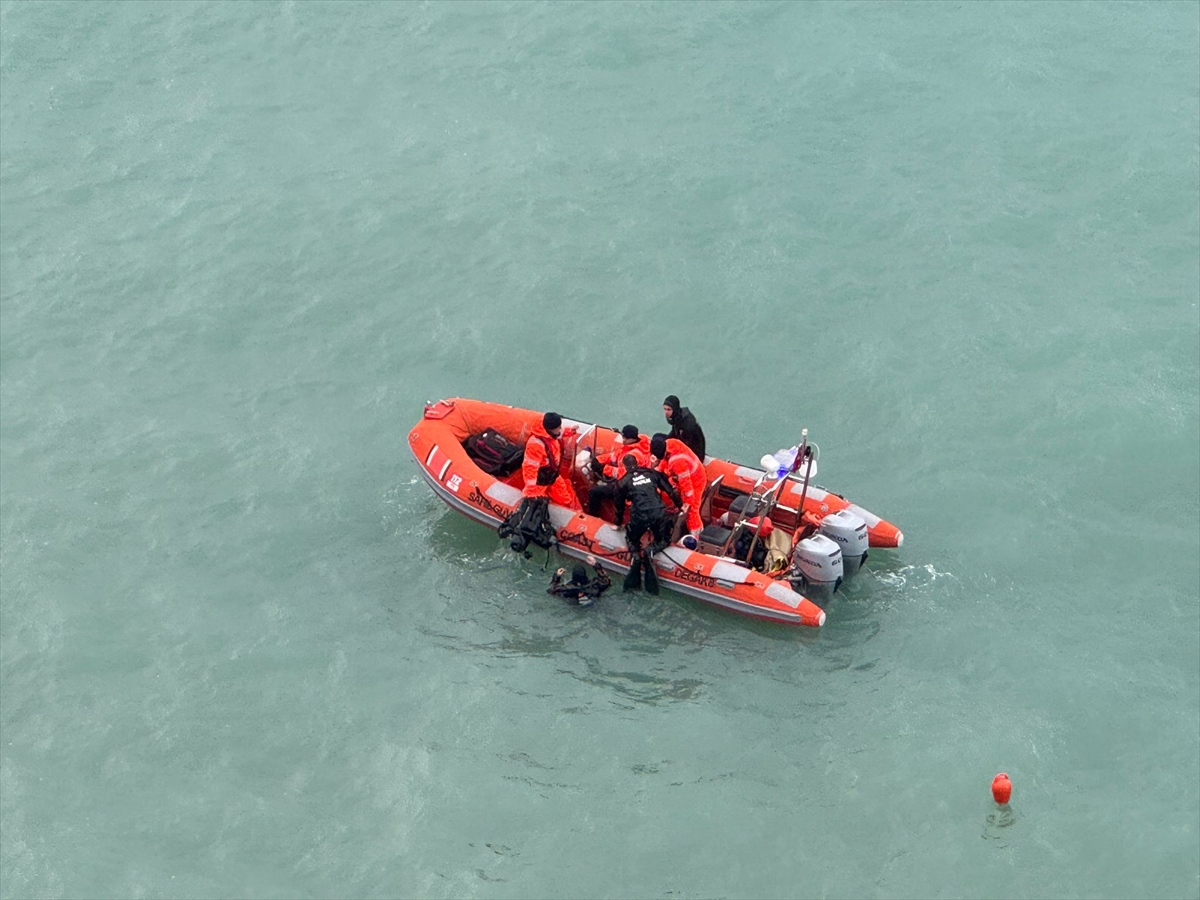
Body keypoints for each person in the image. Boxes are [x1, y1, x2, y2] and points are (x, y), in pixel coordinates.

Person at [613, 454, 681, 593]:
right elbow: (670, 490)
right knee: (663, 539)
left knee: (632, 538)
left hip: (640, 516)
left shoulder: (622, 482)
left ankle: (636, 557)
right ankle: (651, 551)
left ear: (623, 466)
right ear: (637, 462)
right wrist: (680, 505)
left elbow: (619, 506)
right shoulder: (652, 473)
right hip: (658, 513)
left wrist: (619, 522)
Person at [585, 424, 650, 516]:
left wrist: (603, 468)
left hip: (628, 487)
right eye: (623, 437)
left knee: (594, 492)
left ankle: (592, 516)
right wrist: (598, 460)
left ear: (632, 439)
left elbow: (625, 474)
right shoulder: (633, 447)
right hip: (630, 482)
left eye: (626, 438)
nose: (623, 440)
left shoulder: (634, 455)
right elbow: (615, 456)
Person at [650, 433, 707, 535]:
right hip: (692, 471)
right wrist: (658, 470)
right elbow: (664, 460)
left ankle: (696, 536)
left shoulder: (677, 463)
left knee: (692, 511)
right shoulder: (670, 443)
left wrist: (687, 503)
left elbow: (687, 486)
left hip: (696, 480)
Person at [522, 411, 580, 510]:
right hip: (540, 480)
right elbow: (530, 468)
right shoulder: (535, 445)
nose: (560, 430)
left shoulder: (551, 434)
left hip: (553, 474)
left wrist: (570, 432)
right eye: (558, 428)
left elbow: (558, 434)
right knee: (537, 504)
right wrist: (531, 491)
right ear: (550, 429)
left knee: (565, 499)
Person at [662, 395, 705, 461]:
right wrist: (664, 443)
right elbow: (674, 432)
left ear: (675, 409)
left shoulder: (688, 424)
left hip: (695, 454)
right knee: (658, 437)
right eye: (664, 409)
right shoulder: (677, 416)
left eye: (669, 409)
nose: (666, 412)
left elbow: (688, 447)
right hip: (683, 442)